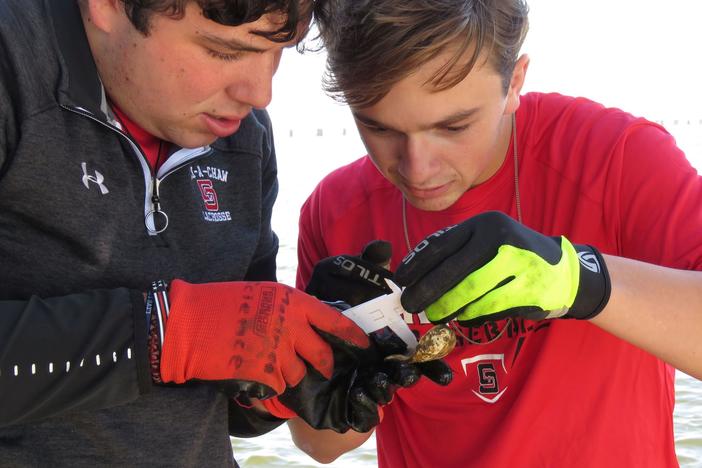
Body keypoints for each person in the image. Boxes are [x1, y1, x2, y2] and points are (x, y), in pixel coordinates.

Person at [0, 0, 435, 465]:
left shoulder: (244, 138)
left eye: (278, 51)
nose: (260, 92)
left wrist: (293, 373)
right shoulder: (15, 65)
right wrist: (167, 333)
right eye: (225, 52)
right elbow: (185, 340)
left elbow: (226, 409)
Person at [290, 0, 702, 466]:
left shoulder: (616, 158)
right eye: (378, 127)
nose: (416, 167)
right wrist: (335, 367)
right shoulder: (334, 211)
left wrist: (579, 280)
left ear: (515, 82)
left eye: (453, 126)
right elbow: (318, 446)